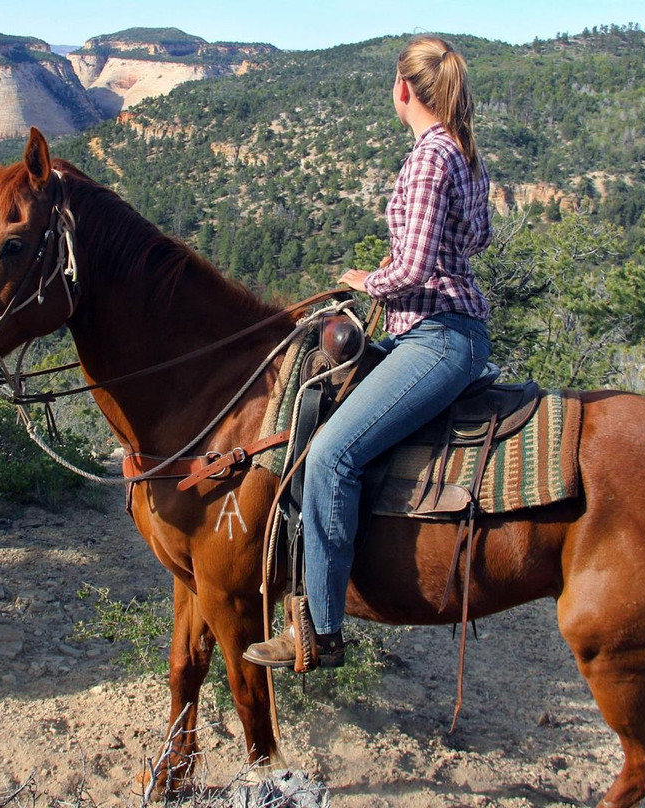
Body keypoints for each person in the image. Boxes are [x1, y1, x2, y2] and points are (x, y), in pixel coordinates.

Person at [244, 35, 493, 670]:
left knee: (331, 455)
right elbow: (477, 240)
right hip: (448, 330)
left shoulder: (427, 158)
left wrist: (368, 281)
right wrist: (413, 265)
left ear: (404, 89)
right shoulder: (464, 152)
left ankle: (321, 631)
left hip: (436, 337)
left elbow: (412, 267)